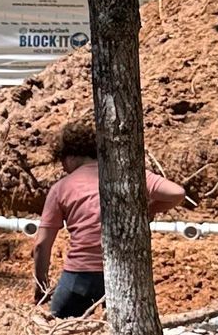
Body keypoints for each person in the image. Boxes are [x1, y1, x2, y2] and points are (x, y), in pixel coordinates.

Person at [32, 116, 187, 317]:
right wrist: (148, 210)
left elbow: (41, 245)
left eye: (63, 163)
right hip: (125, 272)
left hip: (80, 275)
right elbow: (177, 193)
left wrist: (41, 287)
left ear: (70, 157)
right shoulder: (128, 174)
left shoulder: (61, 188)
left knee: (57, 327)